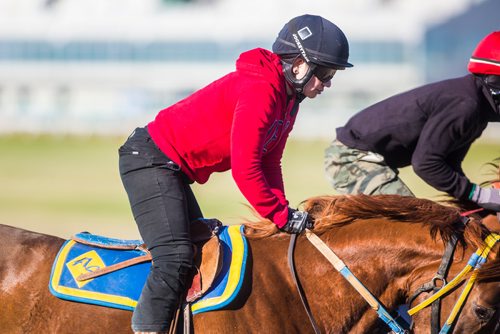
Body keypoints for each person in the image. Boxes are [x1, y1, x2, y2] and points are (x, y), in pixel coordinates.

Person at [119, 14, 352, 333]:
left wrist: (281, 214)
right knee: (175, 258)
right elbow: (246, 168)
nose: (327, 83)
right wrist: (279, 216)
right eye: (324, 73)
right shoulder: (262, 90)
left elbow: (270, 161)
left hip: (172, 170)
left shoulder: (289, 100)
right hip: (149, 159)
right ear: (298, 64)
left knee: (202, 255)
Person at [324, 31, 500, 212]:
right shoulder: (466, 105)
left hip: (364, 156)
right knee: (419, 222)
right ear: (496, 81)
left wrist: (476, 206)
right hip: (350, 157)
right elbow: (426, 163)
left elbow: (449, 166)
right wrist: (481, 195)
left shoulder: (476, 110)